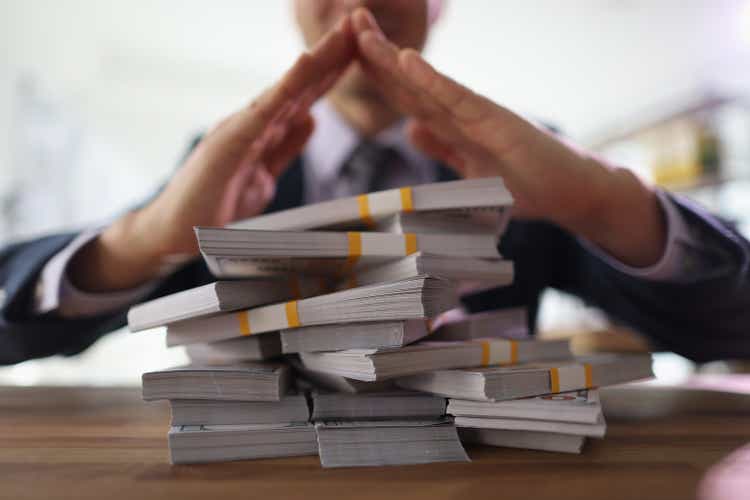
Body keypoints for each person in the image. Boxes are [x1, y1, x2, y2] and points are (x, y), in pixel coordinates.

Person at [1, 2, 748, 365]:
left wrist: (602, 202)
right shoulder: (219, 166)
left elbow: (732, 326)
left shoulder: (532, 164)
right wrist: (144, 240)